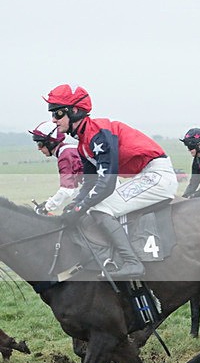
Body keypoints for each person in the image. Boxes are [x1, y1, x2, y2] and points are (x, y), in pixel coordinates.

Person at [44, 84, 179, 279]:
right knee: (89, 207)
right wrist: (73, 205)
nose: (54, 120)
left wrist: (80, 208)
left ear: (73, 111)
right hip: (144, 175)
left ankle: (132, 262)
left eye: (57, 114)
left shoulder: (98, 134)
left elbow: (106, 184)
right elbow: (90, 183)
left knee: (101, 208)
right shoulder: (83, 144)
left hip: (156, 175)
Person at [28, 122, 83, 215]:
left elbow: (66, 190)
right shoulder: (68, 149)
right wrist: (49, 202)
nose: (38, 148)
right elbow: (74, 188)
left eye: (40, 144)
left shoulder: (65, 155)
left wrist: (46, 207)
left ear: (50, 142)